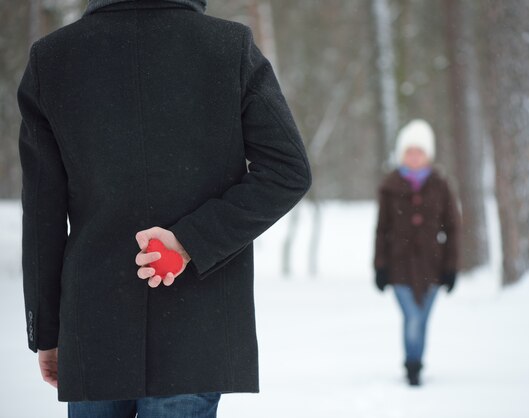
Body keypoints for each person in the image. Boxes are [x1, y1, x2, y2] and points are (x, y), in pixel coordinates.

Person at [17, 0, 311, 416]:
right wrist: (190, 241)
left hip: (96, 326)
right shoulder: (228, 47)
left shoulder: (53, 58)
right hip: (196, 327)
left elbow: (42, 213)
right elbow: (288, 172)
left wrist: (47, 330)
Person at [373, 119, 460, 386]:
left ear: (428, 155)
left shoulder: (440, 186)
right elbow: (381, 229)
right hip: (398, 267)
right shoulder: (389, 187)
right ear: (402, 154)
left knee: (422, 320)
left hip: (433, 267)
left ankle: (415, 362)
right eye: (409, 151)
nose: (414, 156)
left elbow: (453, 228)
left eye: (419, 151)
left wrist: (451, 267)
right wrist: (379, 266)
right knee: (412, 317)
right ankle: (413, 365)